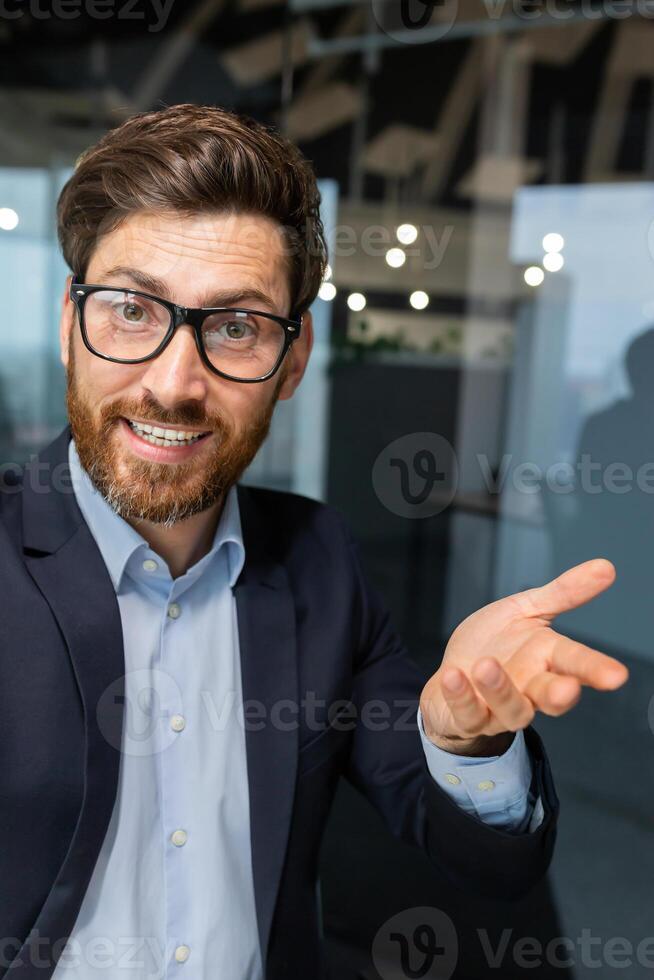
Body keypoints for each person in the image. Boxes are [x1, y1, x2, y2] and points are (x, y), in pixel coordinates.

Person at [0, 103, 628, 980]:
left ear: (292, 364)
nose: (175, 384)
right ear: (70, 326)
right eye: (131, 310)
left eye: (235, 327)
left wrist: (466, 739)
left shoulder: (318, 560)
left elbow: (493, 860)